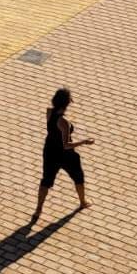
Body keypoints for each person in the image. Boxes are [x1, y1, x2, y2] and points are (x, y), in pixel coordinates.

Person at [30, 88, 93, 225]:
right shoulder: (64, 123)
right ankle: (82, 202)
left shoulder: (49, 112)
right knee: (78, 176)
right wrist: (84, 142)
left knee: (46, 179)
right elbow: (66, 145)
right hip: (65, 155)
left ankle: (38, 209)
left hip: (49, 151)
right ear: (67, 103)